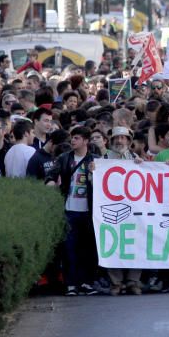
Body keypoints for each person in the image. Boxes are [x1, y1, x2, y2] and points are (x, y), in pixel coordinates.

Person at [47, 127, 100, 296]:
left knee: (87, 248)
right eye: (72, 138)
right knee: (69, 248)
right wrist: (50, 181)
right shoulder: (64, 158)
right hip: (69, 210)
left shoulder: (95, 161)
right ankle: (71, 284)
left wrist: (95, 173)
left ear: (86, 141)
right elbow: (51, 174)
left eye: (77, 138)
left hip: (88, 211)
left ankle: (86, 282)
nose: (73, 141)